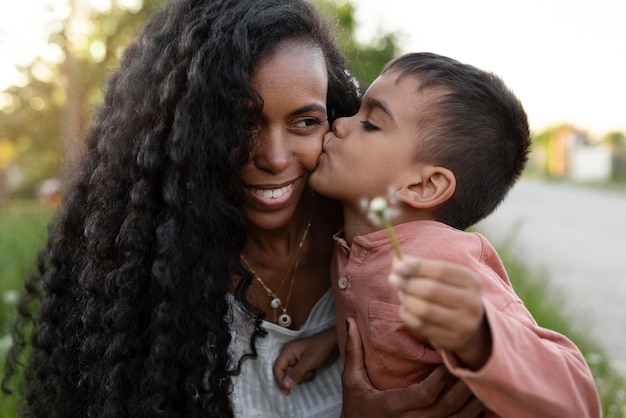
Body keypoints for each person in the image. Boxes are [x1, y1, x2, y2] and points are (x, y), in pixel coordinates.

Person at [1, 1, 485, 418]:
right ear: (181, 132)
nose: (274, 158)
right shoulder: (142, 274)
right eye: (239, 122)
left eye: (304, 121)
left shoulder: (381, 241)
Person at [303, 52, 602, 416]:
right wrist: (331, 342)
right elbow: (394, 329)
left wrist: (479, 338)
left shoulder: (441, 258)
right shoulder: (353, 245)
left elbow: (579, 402)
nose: (340, 124)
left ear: (425, 185)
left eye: (371, 124)